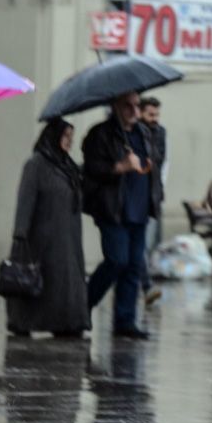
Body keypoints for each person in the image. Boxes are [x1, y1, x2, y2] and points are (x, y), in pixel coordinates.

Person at [82, 90, 163, 339]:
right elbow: (91, 169)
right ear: (115, 106)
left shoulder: (143, 132)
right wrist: (119, 167)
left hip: (139, 208)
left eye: (136, 105)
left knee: (133, 266)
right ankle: (83, 304)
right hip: (112, 209)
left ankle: (125, 321)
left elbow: (154, 163)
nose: (134, 110)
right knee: (117, 259)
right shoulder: (100, 134)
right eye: (127, 105)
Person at [6, 118, 90, 337]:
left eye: (71, 137)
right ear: (52, 136)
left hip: (67, 238)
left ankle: (67, 323)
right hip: (42, 239)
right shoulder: (36, 164)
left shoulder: (67, 166)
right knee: (41, 283)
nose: (69, 142)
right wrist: (20, 234)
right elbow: (25, 200)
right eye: (65, 136)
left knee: (64, 283)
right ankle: (25, 322)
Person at [139, 96, 166, 307]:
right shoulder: (137, 133)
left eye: (156, 115)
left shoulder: (160, 133)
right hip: (138, 196)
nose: (154, 118)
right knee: (142, 246)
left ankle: (145, 284)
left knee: (147, 245)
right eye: (150, 114)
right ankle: (146, 285)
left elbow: (159, 160)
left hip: (153, 195)